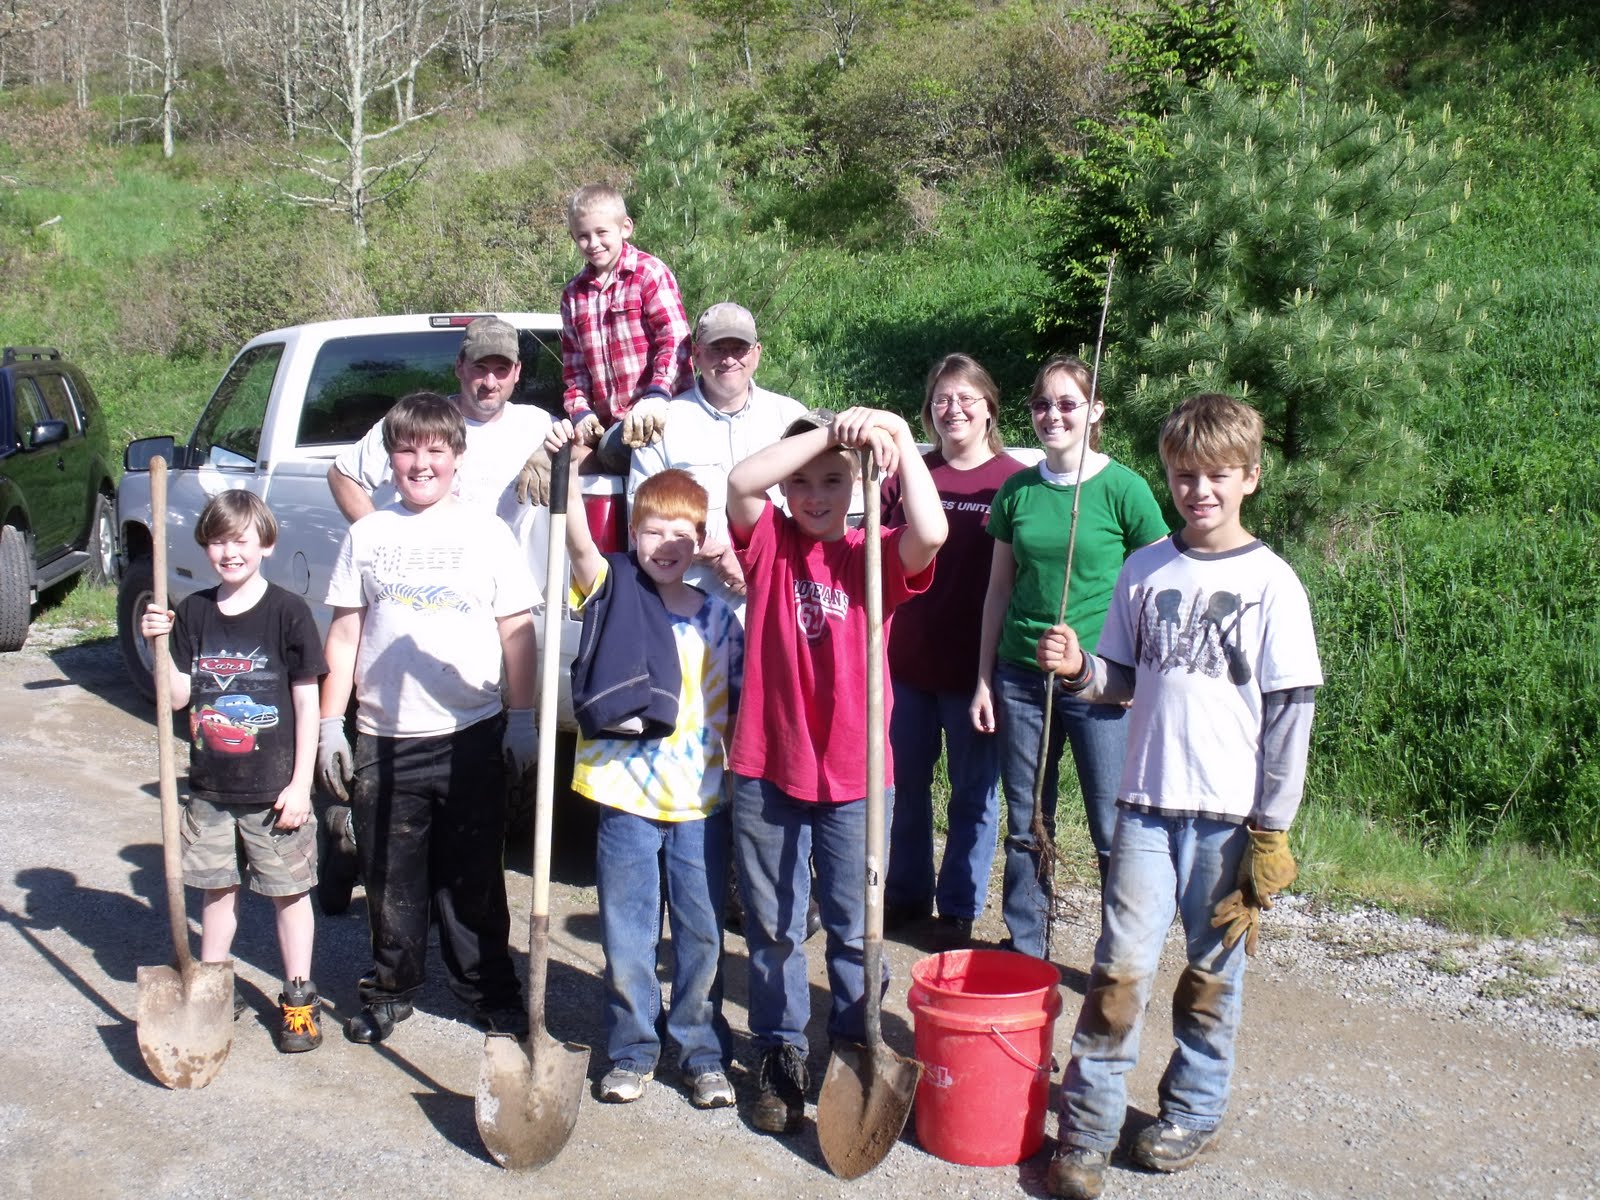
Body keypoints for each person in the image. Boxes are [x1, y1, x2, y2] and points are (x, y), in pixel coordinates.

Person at [1035, 393, 1322, 1200]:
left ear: (1251, 478)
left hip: (1231, 823)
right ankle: (1087, 1131)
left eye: (1218, 477)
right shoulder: (1145, 568)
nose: (1200, 491)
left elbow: (1290, 713)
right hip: (1145, 812)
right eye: (1185, 475)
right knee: (1118, 971)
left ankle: (1191, 1113)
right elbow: (1119, 682)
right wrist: (1076, 669)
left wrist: (1273, 830)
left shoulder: (1273, 584)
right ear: (1168, 476)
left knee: (1210, 976)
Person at [725, 407, 947, 1135]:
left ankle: (855, 1044)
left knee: (857, 929)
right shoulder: (770, 543)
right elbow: (740, 480)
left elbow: (934, 533)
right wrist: (826, 436)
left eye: (832, 483)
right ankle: (778, 1053)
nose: (816, 494)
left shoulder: (871, 555)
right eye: (804, 483)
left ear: (856, 489)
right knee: (776, 925)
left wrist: (891, 437)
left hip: (856, 778)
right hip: (767, 766)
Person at [315, 392, 538, 1045]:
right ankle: (391, 989)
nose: (420, 462)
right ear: (390, 459)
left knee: (474, 877)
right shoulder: (368, 534)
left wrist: (520, 721)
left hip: (470, 734)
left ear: (456, 458)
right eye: (408, 449)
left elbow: (518, 633)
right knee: (390, 876)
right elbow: (344, 634)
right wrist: (333, 722)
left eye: (434, 450)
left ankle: (491, 992)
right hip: (385, 737)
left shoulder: (486, 534)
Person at [322, 314, 552, 913]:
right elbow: (343, 472)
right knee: (397, 852)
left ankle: (478, 977)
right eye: (479, 366)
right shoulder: (424, 422)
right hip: (400, 679)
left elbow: (591, 439)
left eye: (502, 368)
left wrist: (565, 449)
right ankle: (356, 853)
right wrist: (382, 537)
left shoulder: (535, 424)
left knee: (473, 844)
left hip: (488, 621)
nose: (489, 379)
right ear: (460, 368)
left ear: (518, 374)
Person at [546, 421, 742, 1111]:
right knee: (628, 932)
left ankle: (700, 1049)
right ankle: (631, 1048)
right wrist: (568, 470)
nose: (667, 544)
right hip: (624, 795)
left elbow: (745, 704)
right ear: (633, 535)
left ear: (702, 540)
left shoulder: (722, 619)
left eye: (682, 533)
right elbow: (574, 539)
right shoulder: (608, 587)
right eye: (653, 530)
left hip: (701, 801)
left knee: (701, 933)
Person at [971, 355, 1168, 959]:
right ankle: (1028, 947)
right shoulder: (1018, 491)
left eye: (1067, 404)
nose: (1052, 415)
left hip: (1098, 682)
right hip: (1020, 677)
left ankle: (1123, 953)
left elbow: (1158, 586)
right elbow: (999, 589)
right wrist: (983, 678)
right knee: (1027, 820)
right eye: (1041, 404)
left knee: (1113, 826)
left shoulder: (1124, 490)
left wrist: (1136, 671)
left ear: (1095, 412)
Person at [140, 490, 328, 1052]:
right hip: (211, 789)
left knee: (289, 893)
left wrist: (300, 784)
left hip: (275, 790)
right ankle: (213, 987)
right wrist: (159, 646)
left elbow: (307, 703)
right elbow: (176, 697)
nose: (229, 552)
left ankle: (298, 999)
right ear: (205, 545)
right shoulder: (193, 612)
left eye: (241, 540)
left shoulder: (288, 613)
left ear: (265, 545)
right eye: (218, 540)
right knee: (216, 892)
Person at [881, 354, 1024, 946]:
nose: (954, 409)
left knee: (974, 793)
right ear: (928, 410)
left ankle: (958, 907)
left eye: (967, 398)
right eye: (942, 399)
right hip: (906, 663)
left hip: (976, 670)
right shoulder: (912, 474)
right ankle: (904, 894)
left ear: (989, 406)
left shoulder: (1014, 481)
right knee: (904, 785)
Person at [628, 301, 807, 610]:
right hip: (690, 609)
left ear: (757, 353)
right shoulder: (664, 423)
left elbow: (816, 503)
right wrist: (719, 554)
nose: (728, 359)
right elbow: (642, 518)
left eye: (739, 348)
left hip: (782, 601)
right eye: (716, 349)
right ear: (696, 354)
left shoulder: (792, 418)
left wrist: (754, 559)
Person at [560, 183, 693, 474]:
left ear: (625, 228)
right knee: (565, 455)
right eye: (583, 236)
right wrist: (581, 412)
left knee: (610, 450)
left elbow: (675, 340)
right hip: (612, 425)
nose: (593, 243)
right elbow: (575, 369)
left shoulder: (649, 273)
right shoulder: (573, 295)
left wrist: (657, 394)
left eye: (601, 232)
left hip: (661, 414)